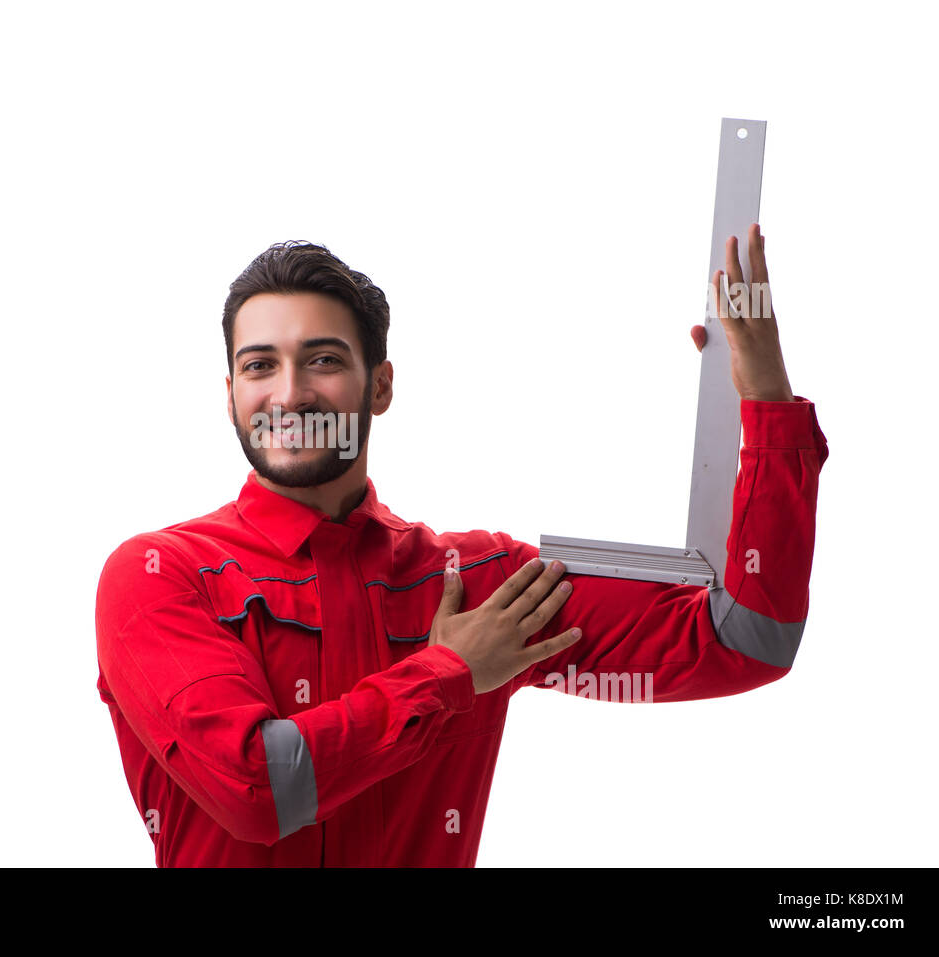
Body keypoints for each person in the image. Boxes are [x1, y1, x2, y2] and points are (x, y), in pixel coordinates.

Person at [94, 228, 828, 866]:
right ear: (229, 395)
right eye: (259, 366)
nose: (290, 394)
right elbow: (259, 788)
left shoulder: (480, 583)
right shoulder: (159, 577)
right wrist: (450, 675)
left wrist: (762, 393)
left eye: (322, 360)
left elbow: (748, 639)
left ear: (379, 386)